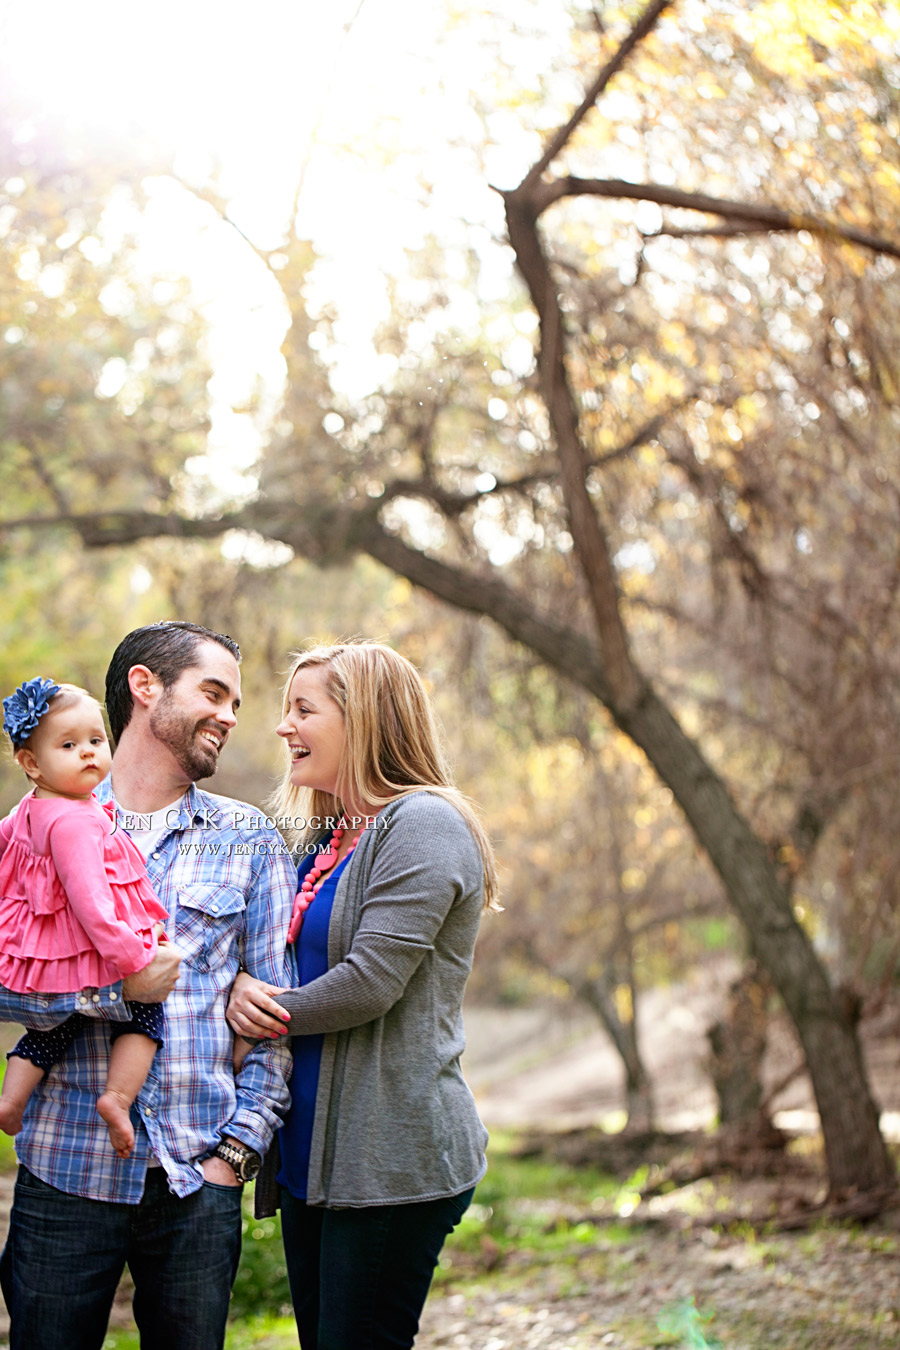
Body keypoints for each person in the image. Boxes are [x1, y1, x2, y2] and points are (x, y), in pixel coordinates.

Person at [0, 621, 295, 1350]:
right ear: (145, 687)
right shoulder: (33, 829)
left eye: (236, 701)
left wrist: (237, 1154)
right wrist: (121, 993)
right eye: (214, 693)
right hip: (65, 1172)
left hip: (198, 1181)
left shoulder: (249, 837)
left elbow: (276, 1014)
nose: (230, 715)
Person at [226, 640, 500, 1350]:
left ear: (365, 720)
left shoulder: (425, 824)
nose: (284, 726)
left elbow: (371, 982)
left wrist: (250, 1014)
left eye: (303, 710)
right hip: (312, 1159)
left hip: (388, 1162)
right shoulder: (324, 839)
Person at [0, 678, 170, 1159]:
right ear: (31, 763)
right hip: (95, 949)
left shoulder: (32, 807)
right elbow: (93, 902)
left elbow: (4, 841)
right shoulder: (75, 821)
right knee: (145, 1013)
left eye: (96, 741)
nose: (89, 754)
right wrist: (132, 958)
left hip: (54, 954)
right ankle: (117, 1099)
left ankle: (11, 1101)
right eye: (69, 745)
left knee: (52, 1028)